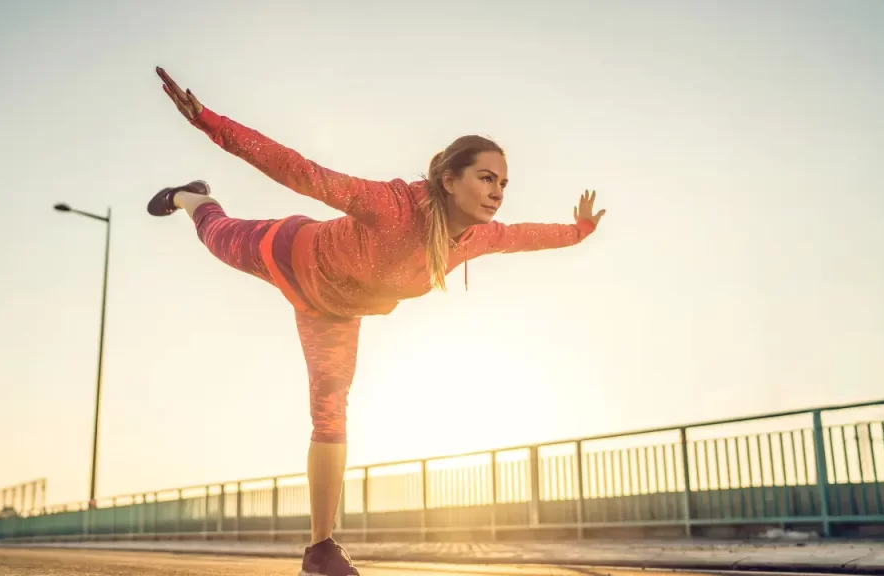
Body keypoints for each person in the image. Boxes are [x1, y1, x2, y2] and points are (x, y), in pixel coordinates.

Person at [150, 66, 606, 576]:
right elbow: (301, 171)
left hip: (333, 315)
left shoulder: (478, 238)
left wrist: (578, 231)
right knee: (217, 235)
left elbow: (527, 235)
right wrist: (210, 122)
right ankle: (192, 197)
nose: (498, 191)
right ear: (449, 180)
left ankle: (320, 549)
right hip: (288, 253)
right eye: (486, 178)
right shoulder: (392, 206)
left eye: (502, 183)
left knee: (329, 413)